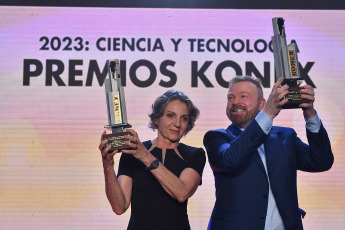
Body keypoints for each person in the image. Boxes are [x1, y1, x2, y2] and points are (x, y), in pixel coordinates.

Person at [204, 75, 334, 230]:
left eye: (243, 96)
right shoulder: (217, 137)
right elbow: (231, 160)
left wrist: (310, 114)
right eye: (230, 97)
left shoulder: (285, 137)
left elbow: (321, 161)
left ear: (261, 104)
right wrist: (268, 114)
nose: (235, 101)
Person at [99, 89, 206, 230]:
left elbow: (182, 192)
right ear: (156, 119)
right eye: (170, 115)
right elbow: (119, 207)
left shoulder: (195, 154)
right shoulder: (133, 152)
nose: (178, 123)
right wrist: (108, 166)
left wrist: (145, 156)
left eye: (184, 118)